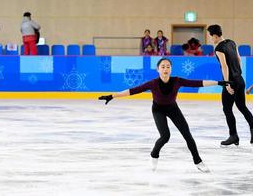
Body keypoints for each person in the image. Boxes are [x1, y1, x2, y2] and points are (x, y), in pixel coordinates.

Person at [98, 58, 231, 173]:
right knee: (165, 136)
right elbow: (133, 91)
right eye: (163, 67)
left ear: (171, 69)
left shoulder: (177, 80)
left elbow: (197, 83)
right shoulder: (153, 83)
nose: (165, 69)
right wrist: (112, 96)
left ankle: (198, 161)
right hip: (158, 110)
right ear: (158, 69)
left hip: (173, 108)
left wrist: (219, 83)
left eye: (168, 67)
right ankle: (154, 155)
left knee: (188, 135)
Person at [207, 24, 253, 146]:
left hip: (231, 82)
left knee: (227, 109)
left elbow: (224, 66)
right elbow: (239, 60)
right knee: (242, 106)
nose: (210, 39)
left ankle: (233, 136)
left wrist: (227, 84)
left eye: (210, 36)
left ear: (215, 36)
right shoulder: (232, 42)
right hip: (239, 79)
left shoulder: (218, 48)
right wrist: (238, 75)